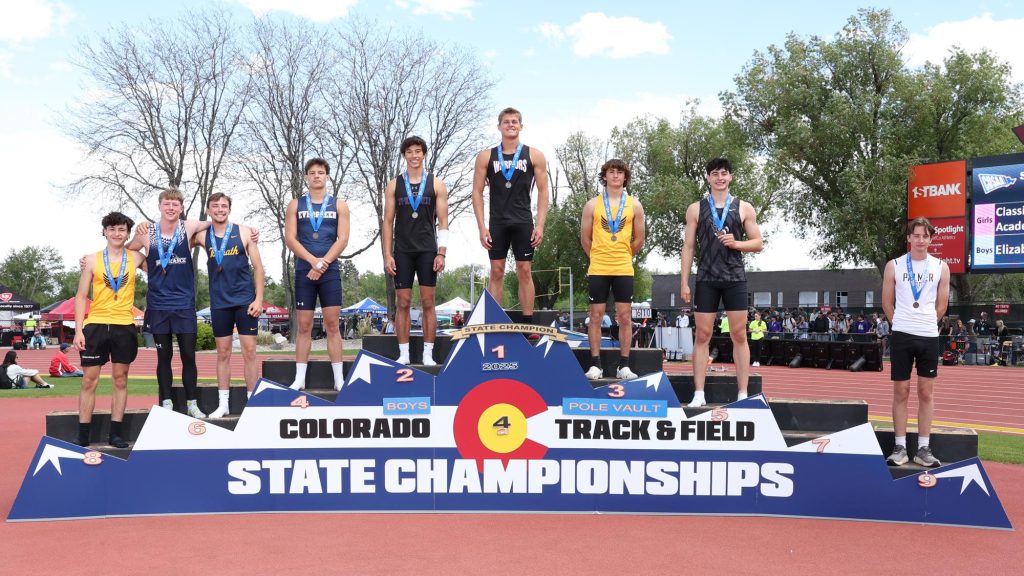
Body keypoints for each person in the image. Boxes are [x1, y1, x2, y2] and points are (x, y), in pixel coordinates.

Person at [680, 158, 763, 407]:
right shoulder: (696, 208)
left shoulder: (744, 207)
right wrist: (684, 282)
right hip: (706, 277)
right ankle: (698, 394)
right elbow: (688, 246)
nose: (719, 177)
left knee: (739, 334)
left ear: (730, 177)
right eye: (714, 173)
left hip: (734, 277)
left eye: (724, 173)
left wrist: (737, 243)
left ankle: (742, 394)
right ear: (708, 178)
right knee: (702, 335)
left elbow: (758, 242)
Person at [129, 189, 216, 419]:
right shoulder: (146, 232)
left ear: (181, 208)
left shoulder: (187, 227)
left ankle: (192, 404)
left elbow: (216, 220)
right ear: (159, 206)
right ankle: (166, 402)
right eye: (167, 204)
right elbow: (128, 252)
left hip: (184, 304)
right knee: (163, 357)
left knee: (189, 356)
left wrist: (248, 232)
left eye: (175, 205)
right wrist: (144, 266)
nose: (171, 208)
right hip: (158, 305)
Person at [472, 107, 550, 327]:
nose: (511, 125)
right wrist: (481, 227)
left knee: (525, 270)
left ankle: (527, 322)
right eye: (506, 122)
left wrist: (541, 225)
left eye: (515, 121)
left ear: (521, 126)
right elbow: (476, 192)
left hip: (523, 221)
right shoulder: (485, 156)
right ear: (499, 126)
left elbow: (544, 191)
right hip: (497, 222)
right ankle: (496, 321)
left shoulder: (534, 155)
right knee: (496, 271)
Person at [882, 217, 950, 468]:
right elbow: (887, 303)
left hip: (928, 336)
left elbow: (941, 306)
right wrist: (899, 322)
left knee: (925, 392)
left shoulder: (941, 267)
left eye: (925, 236)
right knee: (901, 391)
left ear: (931, 239)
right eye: (916, 235)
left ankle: (923, 448)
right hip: (902, 334)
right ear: (909, 238)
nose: (921, 240)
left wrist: (925, 323)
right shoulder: (894, 265)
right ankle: (899, 447)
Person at [75, 212, 147, 448]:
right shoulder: (92, 260)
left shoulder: (136, 258)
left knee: (120, 380)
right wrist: (78, 331)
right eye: (112, 229)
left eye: (122, 230)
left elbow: (161, 267)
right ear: (104, 231)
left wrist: (143, 236)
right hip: (96, 324)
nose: (117, 234)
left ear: (127, 233)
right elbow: (81, 296)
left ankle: (115, 433)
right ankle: (83, 433)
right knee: (89, 380)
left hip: (124, 325)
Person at [191, 192, 265, 417]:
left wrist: (259, 298)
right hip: (220, 303)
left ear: (229, 209)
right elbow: (178, 233)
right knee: (222, 353)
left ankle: (253, 403)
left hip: (245, 301)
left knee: (249, 352)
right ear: (209, 210)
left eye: (224, 206)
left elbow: (259, 268)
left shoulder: (244, 232)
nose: (220, 209)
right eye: (215, 206)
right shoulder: (203, 235)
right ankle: (223, 404)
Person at [383, 136, 450, 366]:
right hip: (402, 251)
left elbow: (443, 222)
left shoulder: (436, 184)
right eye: (409, 152)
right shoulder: (394, 184)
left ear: (424, 154)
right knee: (402, 302)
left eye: (418, 151)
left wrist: (442, 252)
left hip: (427, 250)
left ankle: (428, 353)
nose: (414, 155)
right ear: (404, 155)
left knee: (428, 302)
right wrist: (387, 254)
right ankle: (403, 353)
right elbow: (387, 222)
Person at [285, 158, 350, 390]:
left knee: (332, 325)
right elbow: (290, 239)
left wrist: (323, 264)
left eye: (320, 172)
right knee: (304, 326)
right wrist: (313, 262)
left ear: (327, 176)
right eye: (311, 173)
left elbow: (343, 239)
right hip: (305, 270)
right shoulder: (295, 205)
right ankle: (299, 379)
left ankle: (339, 379)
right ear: (305, 177)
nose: (316, 176)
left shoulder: (339, 205)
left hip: (330, 271)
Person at [580, 158, 647, 380]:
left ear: (625, 177)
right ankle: (595, 365)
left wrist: (624, 255)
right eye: (611, 172)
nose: (615, 175)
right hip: (598, 266)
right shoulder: (592, 204)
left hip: (623, 267)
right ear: (605, 176)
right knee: (595, 317)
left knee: (625, 317)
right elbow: (584, 238)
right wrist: (598, 257)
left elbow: (639, 239)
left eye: (619, 172)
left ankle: (624, 366)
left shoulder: (635, 205)